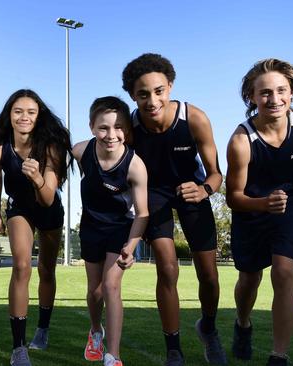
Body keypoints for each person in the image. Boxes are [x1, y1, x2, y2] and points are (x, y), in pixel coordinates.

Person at [121, 53, 226, 366]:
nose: (152, 100)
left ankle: (207, 328)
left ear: (170, 86)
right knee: (167, 267)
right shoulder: (130, 127)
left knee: (208, 274)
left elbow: (216, 174)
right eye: (142, 94)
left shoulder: (195, 118)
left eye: (158, 91)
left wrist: (204, 189)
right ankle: (174, 350)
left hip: (192, 191)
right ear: (131, 95)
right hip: (153, 195)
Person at [226, 58, 293, 366]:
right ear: (252, 96)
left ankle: (279, 356)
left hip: (291, 202)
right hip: (251, 209)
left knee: (284, 270)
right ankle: (243, 323)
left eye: (282, 91)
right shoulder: (241, 141)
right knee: (249, 280)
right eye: (265, 93)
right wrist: (263, 203)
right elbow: (233, 198)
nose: (274, 99)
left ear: (292, 92)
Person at [0, 89, 71, 366]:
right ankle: (18, 348)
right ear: (9, 115)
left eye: (30, 112)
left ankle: (43, 329)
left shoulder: (50, 147)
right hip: (19, 209)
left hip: (48, 207)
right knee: (22, 266)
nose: (24, 117)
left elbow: (48, 197)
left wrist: (37, 177)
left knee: (46, 270)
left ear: (38, 117)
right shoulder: (0, 148)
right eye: (18, 111)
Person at [72, 97, 148, 366]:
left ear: (126, 130)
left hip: (121, 228)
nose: (111, 134)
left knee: (111, 286)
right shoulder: (80, 151)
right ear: (92, 127)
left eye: (118, 128)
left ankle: (113, 356)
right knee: (95, 291)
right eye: (103, 127)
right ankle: (95, 331)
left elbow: (142, 213)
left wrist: (131, 245)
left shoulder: (135, 165)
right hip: (91, 227)